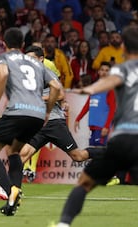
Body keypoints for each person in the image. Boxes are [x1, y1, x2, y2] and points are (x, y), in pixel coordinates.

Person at [0, 46, 107, 199]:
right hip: (38, 124)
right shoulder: (28, 76)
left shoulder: (46, 71)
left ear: (41, 59)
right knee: (21, 155)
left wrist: (39, 99)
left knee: (78, 156)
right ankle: (12, 191)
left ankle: (111, 153)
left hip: (54, 123)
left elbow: (60, 94)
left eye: (32, 57)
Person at [52, 25, 138, 227]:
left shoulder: (122, 69)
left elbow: (111, 81)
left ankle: (64, 224)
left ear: (123, 47)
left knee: (84, 184)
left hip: (123, 139)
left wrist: (89, 89)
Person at [0, 27, 61, 216]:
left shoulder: (3, 58)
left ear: (4, 43)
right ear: (23, 45)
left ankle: (11, 191)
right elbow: (56, 86)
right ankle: (12, 203)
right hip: (37, 115)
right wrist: (48, 111)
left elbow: (3, 74)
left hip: (17, 111)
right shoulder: (37, 63)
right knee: (13, 151)